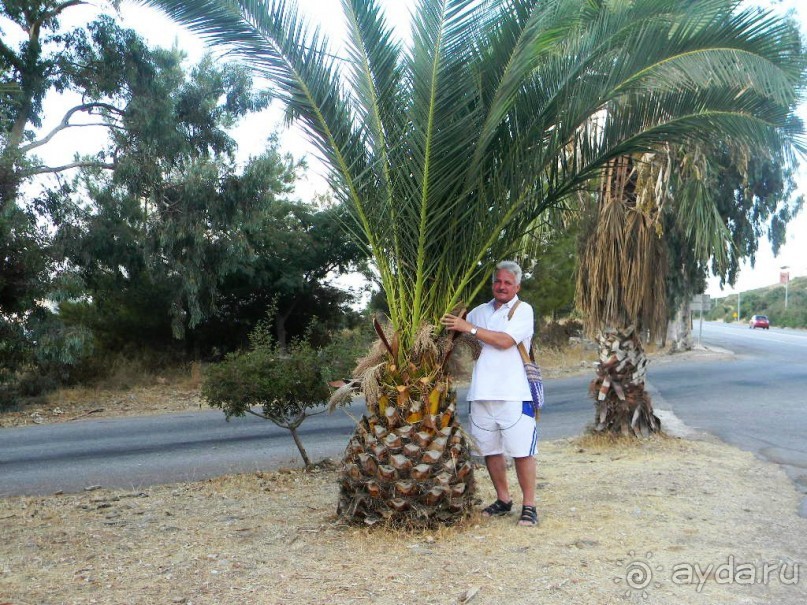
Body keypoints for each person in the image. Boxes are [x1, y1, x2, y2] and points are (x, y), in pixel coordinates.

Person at [440, 260, 538, 526]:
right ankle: (503, 500)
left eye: (507, 282)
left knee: (522, 452)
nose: (502, 286)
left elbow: (505, 341)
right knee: (491, 451)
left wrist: (467, 327)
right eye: (498, 281)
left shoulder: (522, 310)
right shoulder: (480, 311)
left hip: (514, 394)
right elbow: (455, 333)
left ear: (517, 285)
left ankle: (529, 505)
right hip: (481, 393)